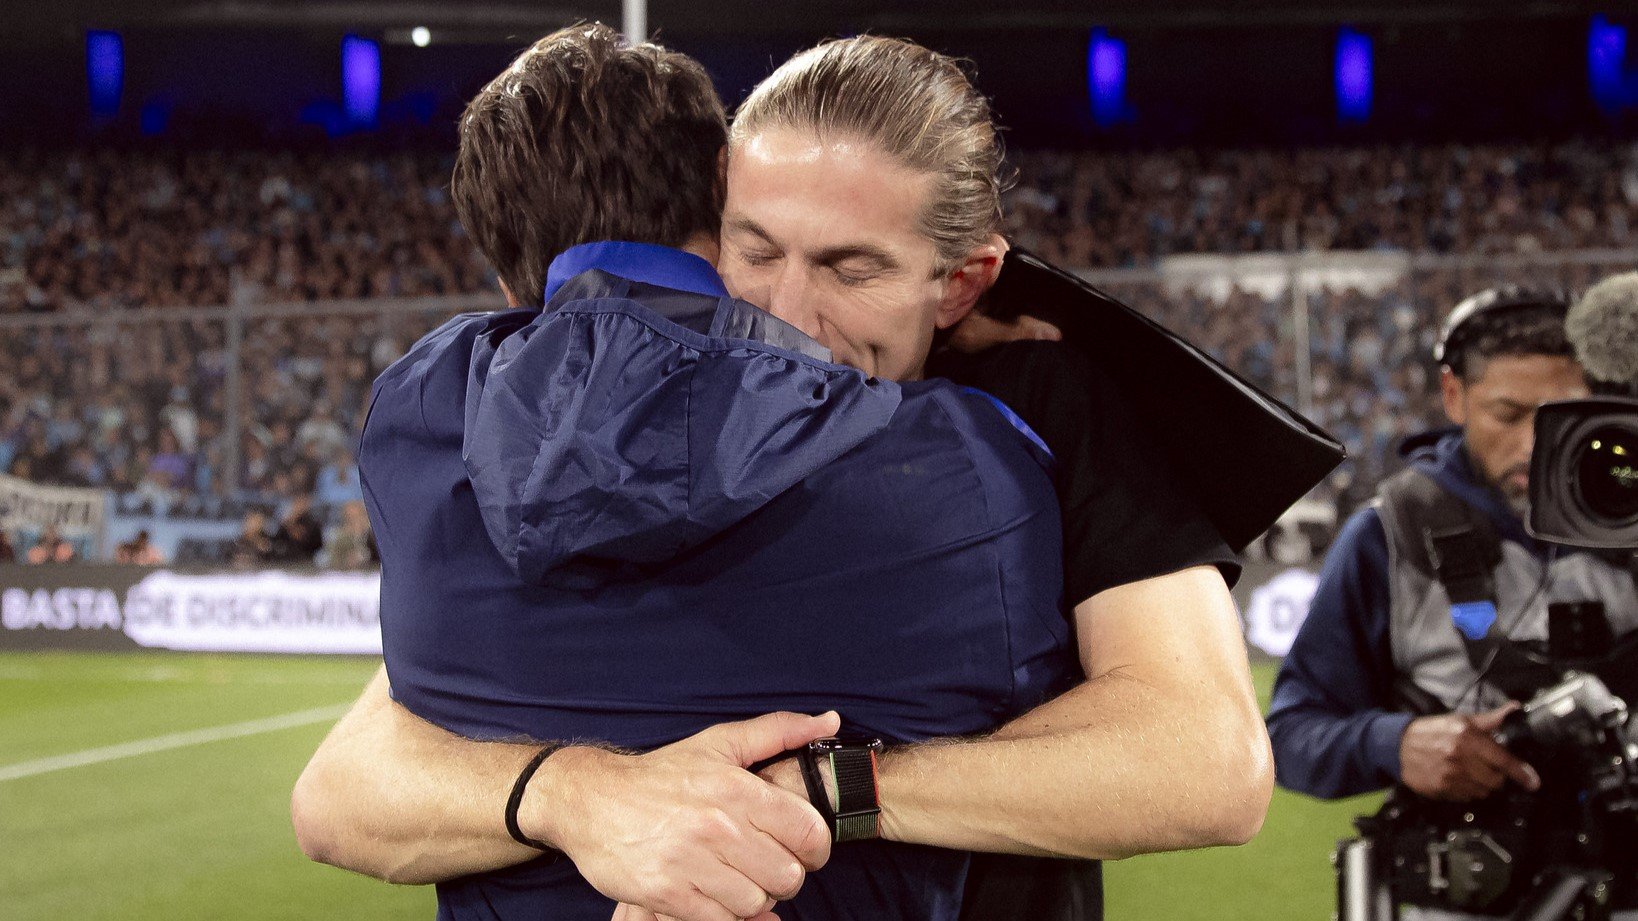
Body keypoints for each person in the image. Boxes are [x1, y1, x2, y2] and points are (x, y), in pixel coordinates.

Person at [293, 30, 1268, 921]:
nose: (790, 314)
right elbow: (347, 782)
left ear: (961, 284)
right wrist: (588, 798)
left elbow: (1205, 764)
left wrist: (816, 795)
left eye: (852, 270)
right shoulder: (620, 419)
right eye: (752, 249)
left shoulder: (1036, 411)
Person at [1265, 288, 1638, 918]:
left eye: (1559, 417)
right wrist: (1396, 743)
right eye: (1508, 414)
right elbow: (1288, 735)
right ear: (1454, 395)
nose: (1531, 447)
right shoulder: (1391, 536)